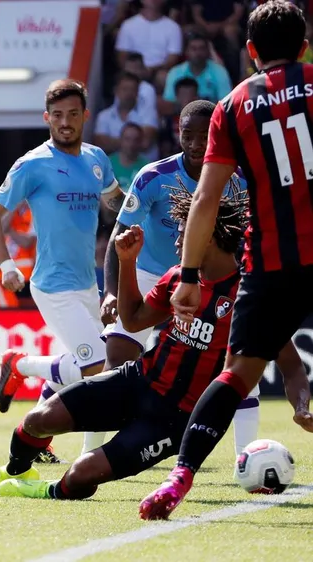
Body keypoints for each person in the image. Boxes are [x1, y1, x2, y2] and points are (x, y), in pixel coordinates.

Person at [0, 186, 312, 500]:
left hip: (173, 420)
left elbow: (292, 365)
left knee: (81, 474)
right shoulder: (178, 277)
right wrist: (128, 263)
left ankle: (43, 491)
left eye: (184, 231)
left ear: (208, 234)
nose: (178, 240)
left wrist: (300, 406)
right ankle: (10, 474)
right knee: (39, 418)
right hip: (137, 382)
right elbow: (132, 321)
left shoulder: (246, 295)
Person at [141, 0, 313, 520]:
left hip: (269, 260)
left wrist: (189, 276)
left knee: (236, 373)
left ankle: (179, 479)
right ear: (305, 47)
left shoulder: (233, 106)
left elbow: (206, 198)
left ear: (251, 51)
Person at [100, 100, 258, 456]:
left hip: (210, 280)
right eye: (189, 135)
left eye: (205, 135)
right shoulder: (153, 176)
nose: (197, 143)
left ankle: (248, 461)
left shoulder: (238, 180)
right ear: (178, 133)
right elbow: (118, 236)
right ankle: (92, 451)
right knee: (116, 359)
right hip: (150, 273)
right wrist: (112, 291)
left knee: (245, 373)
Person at [0, 79, 125, 459]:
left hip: (86, 283)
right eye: (58, 115)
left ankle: (49, 436)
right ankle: (21, 364)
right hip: (51, 284)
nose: (65, 122)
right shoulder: (33, 164)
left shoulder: (97, 159)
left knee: (87, 371)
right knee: (98, 367)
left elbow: (116, 203)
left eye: (73, 114)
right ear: (47, 118)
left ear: (85, 117)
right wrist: (7, 264)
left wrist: (144, 209)